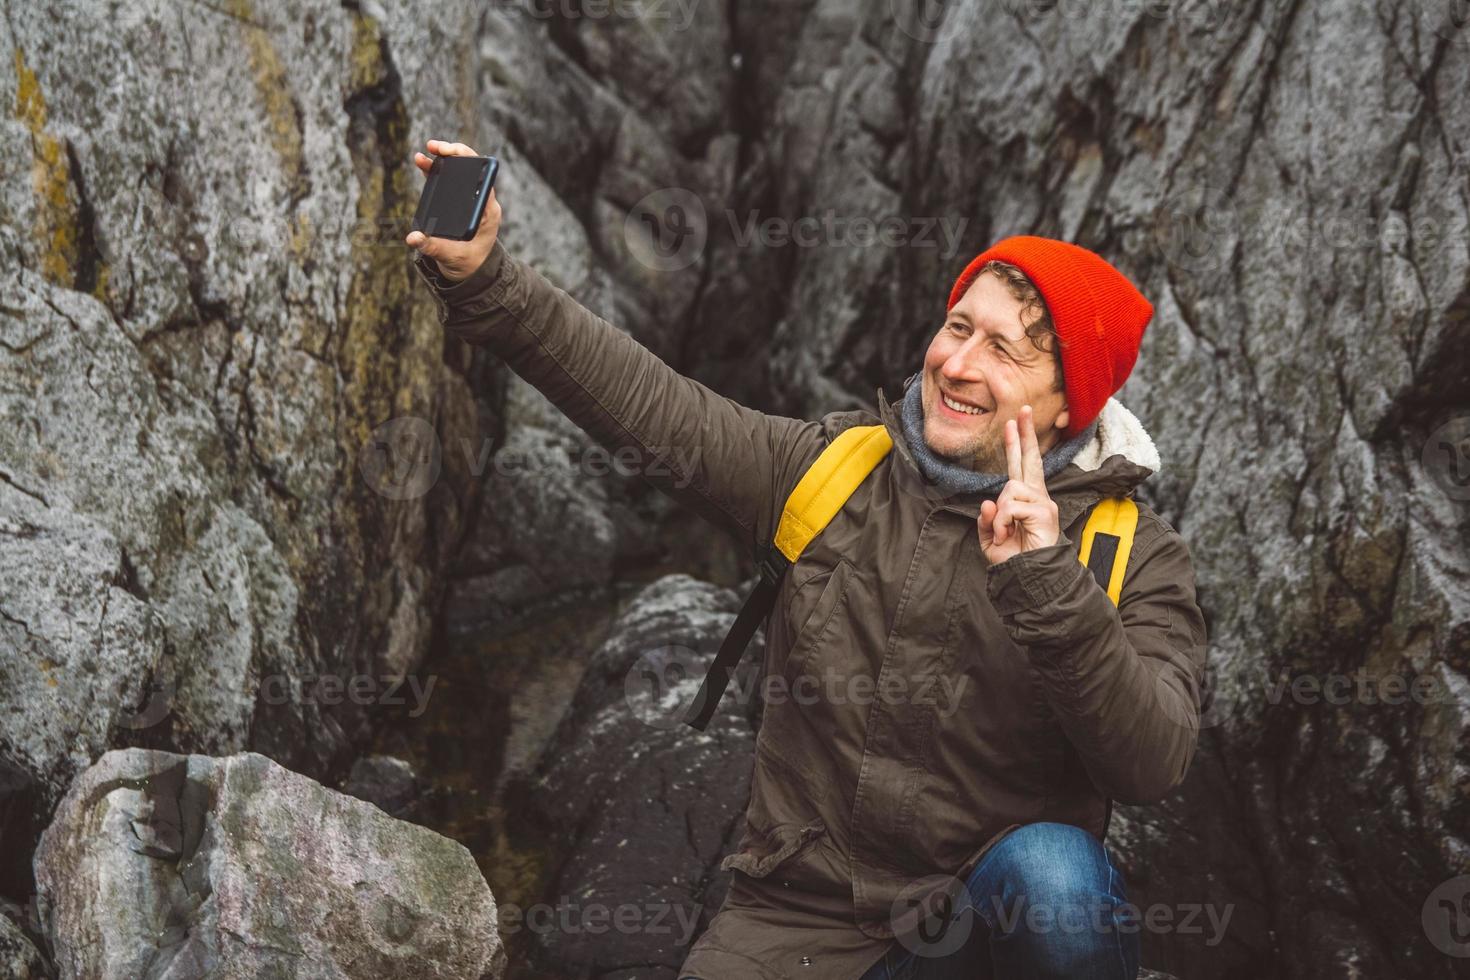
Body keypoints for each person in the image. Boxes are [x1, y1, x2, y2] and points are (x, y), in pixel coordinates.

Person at [406, 139, 1207, 980]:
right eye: (957, 327)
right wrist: (487, 278)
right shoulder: (832, 470)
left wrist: (1043, 578)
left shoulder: (1131, 553)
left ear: (1066, 403)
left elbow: (1151, 761)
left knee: (1056, 878)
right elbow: (650, 408)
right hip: (794, 930)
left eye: (1004, 350)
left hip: (972, 935)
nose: (956, 364)